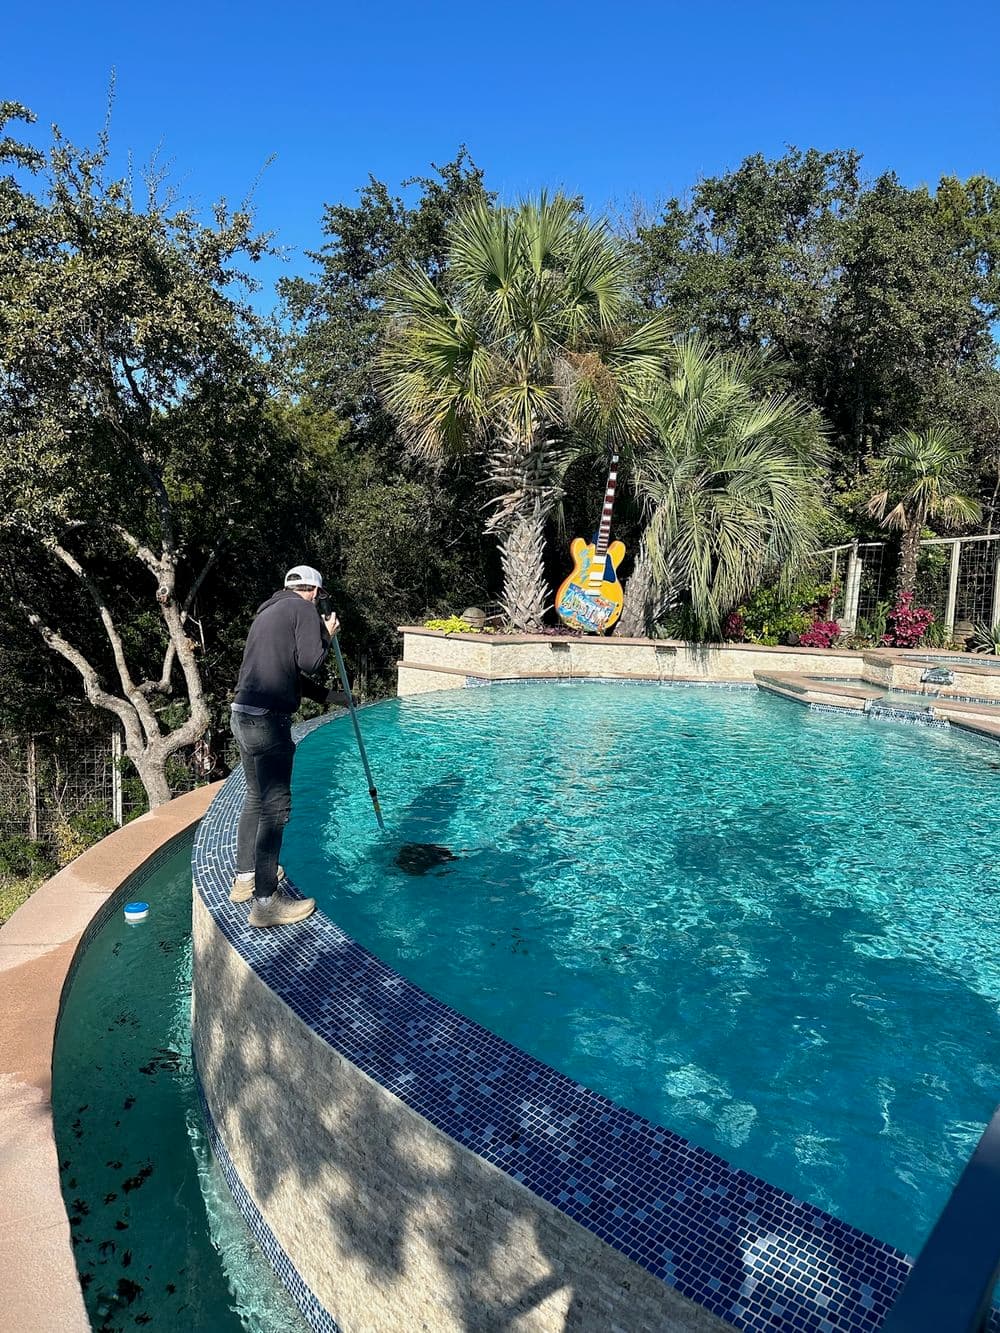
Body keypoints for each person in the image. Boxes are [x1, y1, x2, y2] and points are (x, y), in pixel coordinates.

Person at [229, 564, 344, 928]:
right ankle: (266, 904)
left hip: (241, 715)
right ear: (312, 590)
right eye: (319, 597)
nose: (319, 602)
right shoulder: (303, 609)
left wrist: (331, 697)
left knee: (254, 796)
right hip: (268, 722)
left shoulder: (268, 611)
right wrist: (327, 634)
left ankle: (245, 879)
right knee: (275, 809)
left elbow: (288, 670)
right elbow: (311, 661)